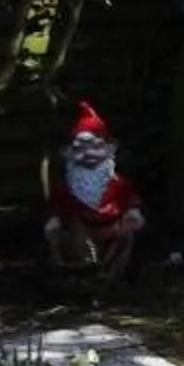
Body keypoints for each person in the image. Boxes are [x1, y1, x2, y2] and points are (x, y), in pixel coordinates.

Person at [43, 100, 144, 277]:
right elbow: (57, 207)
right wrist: (55, 220)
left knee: (127, 237)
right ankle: (84, 269)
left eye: (96, 147)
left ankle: (113, 274)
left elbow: (130, 201)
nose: (89, 154)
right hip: (80, 233)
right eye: (80, 148)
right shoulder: (68, 187)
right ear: (69, 152)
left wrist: (132, 214)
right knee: (73, 231)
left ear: (110, 149)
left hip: (113, 230)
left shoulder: (118, 184)